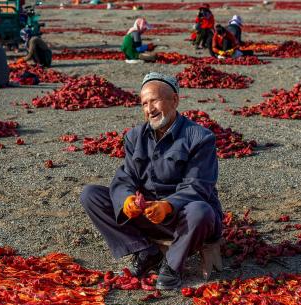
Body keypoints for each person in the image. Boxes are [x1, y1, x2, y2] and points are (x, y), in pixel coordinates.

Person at [80, 72, 223, 290]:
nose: (149, 109)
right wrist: (127, 199)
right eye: (144, 104)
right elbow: (126, 175)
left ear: (174, 100)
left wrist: (168, 205)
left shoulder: (200, 137)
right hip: (148, 213)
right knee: (91, 195)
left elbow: (198, 186)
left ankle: (172, 266)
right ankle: (145, 251)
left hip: (183, 217)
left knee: (201, 211)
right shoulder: (135, 136)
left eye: (154, 101)